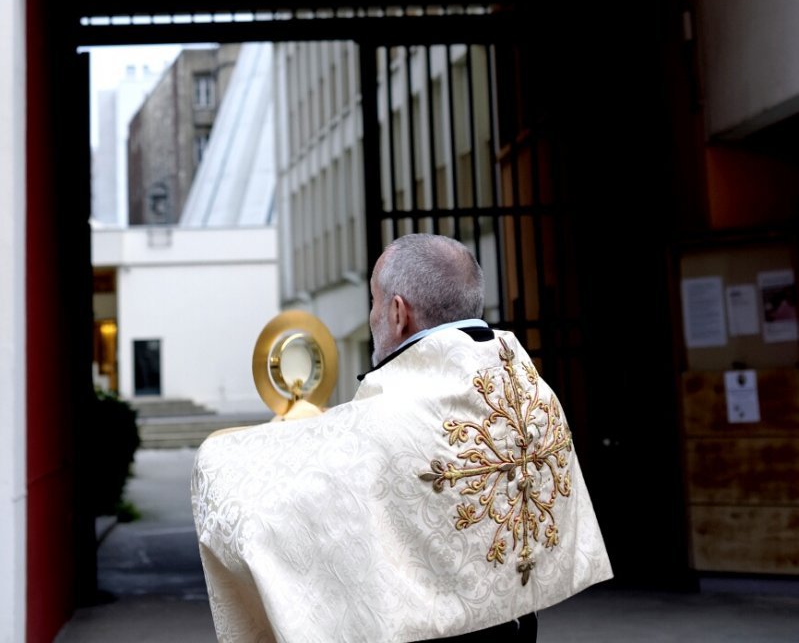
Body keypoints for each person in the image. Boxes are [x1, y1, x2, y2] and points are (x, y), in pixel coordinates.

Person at [192, 234, 611, 643]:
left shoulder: (385, 418)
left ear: (397, 312)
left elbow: (265, 509)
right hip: (517, 623)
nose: (373, 315)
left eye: (373, 302)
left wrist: (226, 452)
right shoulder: (535, 390)